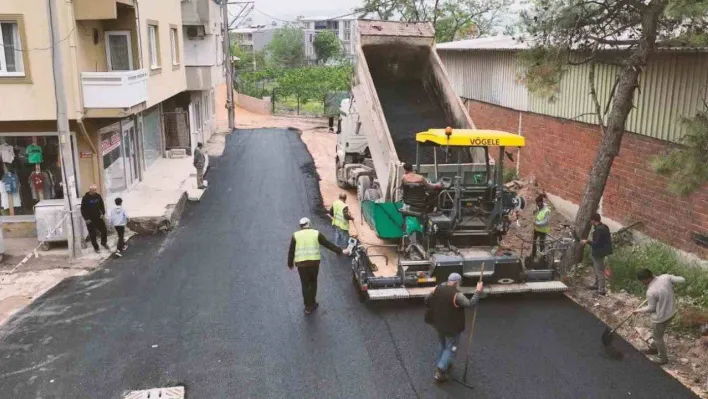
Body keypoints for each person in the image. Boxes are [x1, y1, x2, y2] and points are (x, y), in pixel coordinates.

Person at [424, 273, 483, 383]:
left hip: (438, 324)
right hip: (451, 327)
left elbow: (426, 300)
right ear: (457, 283)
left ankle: (445, 362)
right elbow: (470, 304)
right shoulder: (458, 295)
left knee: (442, 345)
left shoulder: (437, 288)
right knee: (451, 348)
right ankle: (440, 371)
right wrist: (478, 291)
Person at [288, 217, 351, 314]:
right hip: (314, 263)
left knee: (305, 285)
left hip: (301, 265)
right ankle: (312, 302)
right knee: (313, 283)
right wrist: (341, 251)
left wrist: (290, 264)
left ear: (300, 226)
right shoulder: (316, 233)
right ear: (309, 224)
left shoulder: (295, 235)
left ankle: (307, 307)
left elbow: (291, 250)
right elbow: (327, 244)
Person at [633, 269, 686, 365]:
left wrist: (638, 310)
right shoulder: (665, 277)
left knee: (658, 337)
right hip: (671, 312)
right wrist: (670, 281)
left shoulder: (651, 291)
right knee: (656, 333)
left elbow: (651, 308)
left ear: (646, 279)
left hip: (661, 317)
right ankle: (654, 348)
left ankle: (662, 358)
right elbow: (682, 280)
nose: (642, 283)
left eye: (642, 281)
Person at [580, 213, 612, 296]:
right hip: (603, 251)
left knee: (599, 271)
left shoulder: (598, 230)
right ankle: (596, 285)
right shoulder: (604, 227)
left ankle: (601, 290)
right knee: (597, 269)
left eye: (591, 220)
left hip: (598, 252)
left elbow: (596, 243)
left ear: (594, 220)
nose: (590, 222)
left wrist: (587, 241)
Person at [81, 184, 108, 253]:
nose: (95, 191)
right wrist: (86, 219)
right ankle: (96, 248)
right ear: (90, 190)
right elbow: (83, 209)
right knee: (93, 234)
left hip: (99, 217)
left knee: (104, 230)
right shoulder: (85, 198)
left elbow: (102, 206)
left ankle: (103, 243)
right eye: (93, 190)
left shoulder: (98, 196)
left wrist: (103, 213)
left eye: (95, 190)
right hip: (90, 219)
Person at [531, 194, 550, 259]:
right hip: (536, 229)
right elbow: (538, 215)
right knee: (534, 242)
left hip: (542, 230)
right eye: (536, 203)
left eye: (538, 203)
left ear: (541, 202)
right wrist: (535, 212)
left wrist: (537, 223)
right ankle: (533, 255)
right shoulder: (538, 208)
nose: (537, 205)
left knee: (541, 244)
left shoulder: (547, 211)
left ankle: (542, 258)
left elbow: (545, 221)